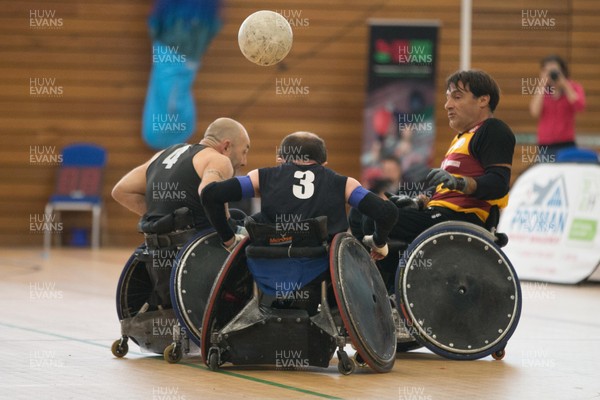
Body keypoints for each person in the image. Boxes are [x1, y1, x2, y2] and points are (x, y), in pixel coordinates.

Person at [355, 70, 515, 246]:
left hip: (457, 220)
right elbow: (445, 189)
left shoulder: (493, 129)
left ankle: (371, 266)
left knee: (373, 219)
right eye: (448, 98)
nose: (447, 105)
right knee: (358, 213)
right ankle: (380, 267)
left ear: (483, 100)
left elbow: (498, 185)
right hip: (437, 214)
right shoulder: (461, 138)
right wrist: (418, 202)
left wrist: (459, 182)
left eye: (457, 97)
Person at [111, 117, 250, 308]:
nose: (244, 161)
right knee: (246, 230)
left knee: (236, 216)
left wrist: (164, 221)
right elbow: (208, 194)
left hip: (157, 249)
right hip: (194, 247)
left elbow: (121, 191)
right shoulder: (218, 160)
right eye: (244, 151)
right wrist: (229, 237)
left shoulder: (164, 154)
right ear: (226, 146)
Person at [201, 131, 398, 260]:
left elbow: (210, 195)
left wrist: (228, 238)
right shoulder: (344, 184)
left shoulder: (261, 177)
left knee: (241, 220)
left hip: (268, 262)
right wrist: (379, 242)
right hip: (321, 265)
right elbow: (387, 212)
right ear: (324, 164)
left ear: (281, 160)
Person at [529, 55, 586, 158]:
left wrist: (565, 85)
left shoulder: (573, 87)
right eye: (547, 71)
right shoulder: (543, 91)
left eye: (554, 71)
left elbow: (579, 106)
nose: (552, 74)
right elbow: (534, 112)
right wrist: (542, 85)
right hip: (545, 144)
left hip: (567, 143)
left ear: (562, 71)